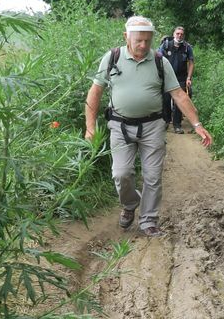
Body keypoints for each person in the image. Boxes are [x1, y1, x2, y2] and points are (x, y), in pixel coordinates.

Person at [85, 16, 212, 237]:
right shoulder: (112, 58)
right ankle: (130, 203)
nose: (144, 45)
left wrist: (197, 124)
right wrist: (90, 127)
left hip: (153, 126)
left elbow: (179, 95)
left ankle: (149, 220)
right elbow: (95, 92)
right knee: (121, 173)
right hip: (120, 126)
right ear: (126, 37)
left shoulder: (159, 61)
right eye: (139, 40)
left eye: (148, 40)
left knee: (153, 176)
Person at [158, 26, 195, 134]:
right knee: (165, 100)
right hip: (166, 77)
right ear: (174, 34)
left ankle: (177, 125)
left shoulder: (187, 47)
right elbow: (158, 59)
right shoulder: (165, 45)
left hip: (181, 78)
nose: (179, 35)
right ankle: (166, 121)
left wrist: (189, 78)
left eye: (181, 34)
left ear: (184, 35)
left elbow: (191, 63)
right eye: (177, 33)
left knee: (179, 102)